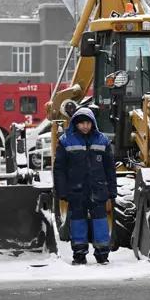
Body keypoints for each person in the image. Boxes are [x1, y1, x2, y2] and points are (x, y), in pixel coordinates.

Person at [54, 106, 116, 265]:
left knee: (101, 223)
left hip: (98, 189)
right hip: (76, 190)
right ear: (75, 123)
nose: (85, 126)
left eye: (88, 123)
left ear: (93, 123)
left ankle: (103, 254)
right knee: (78, 223)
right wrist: (61, 191)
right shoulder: (65, 141)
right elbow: (59, 169)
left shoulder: (102, 140)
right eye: (81, 123)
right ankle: (79, 254)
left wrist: (112, 190)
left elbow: (110, 168)